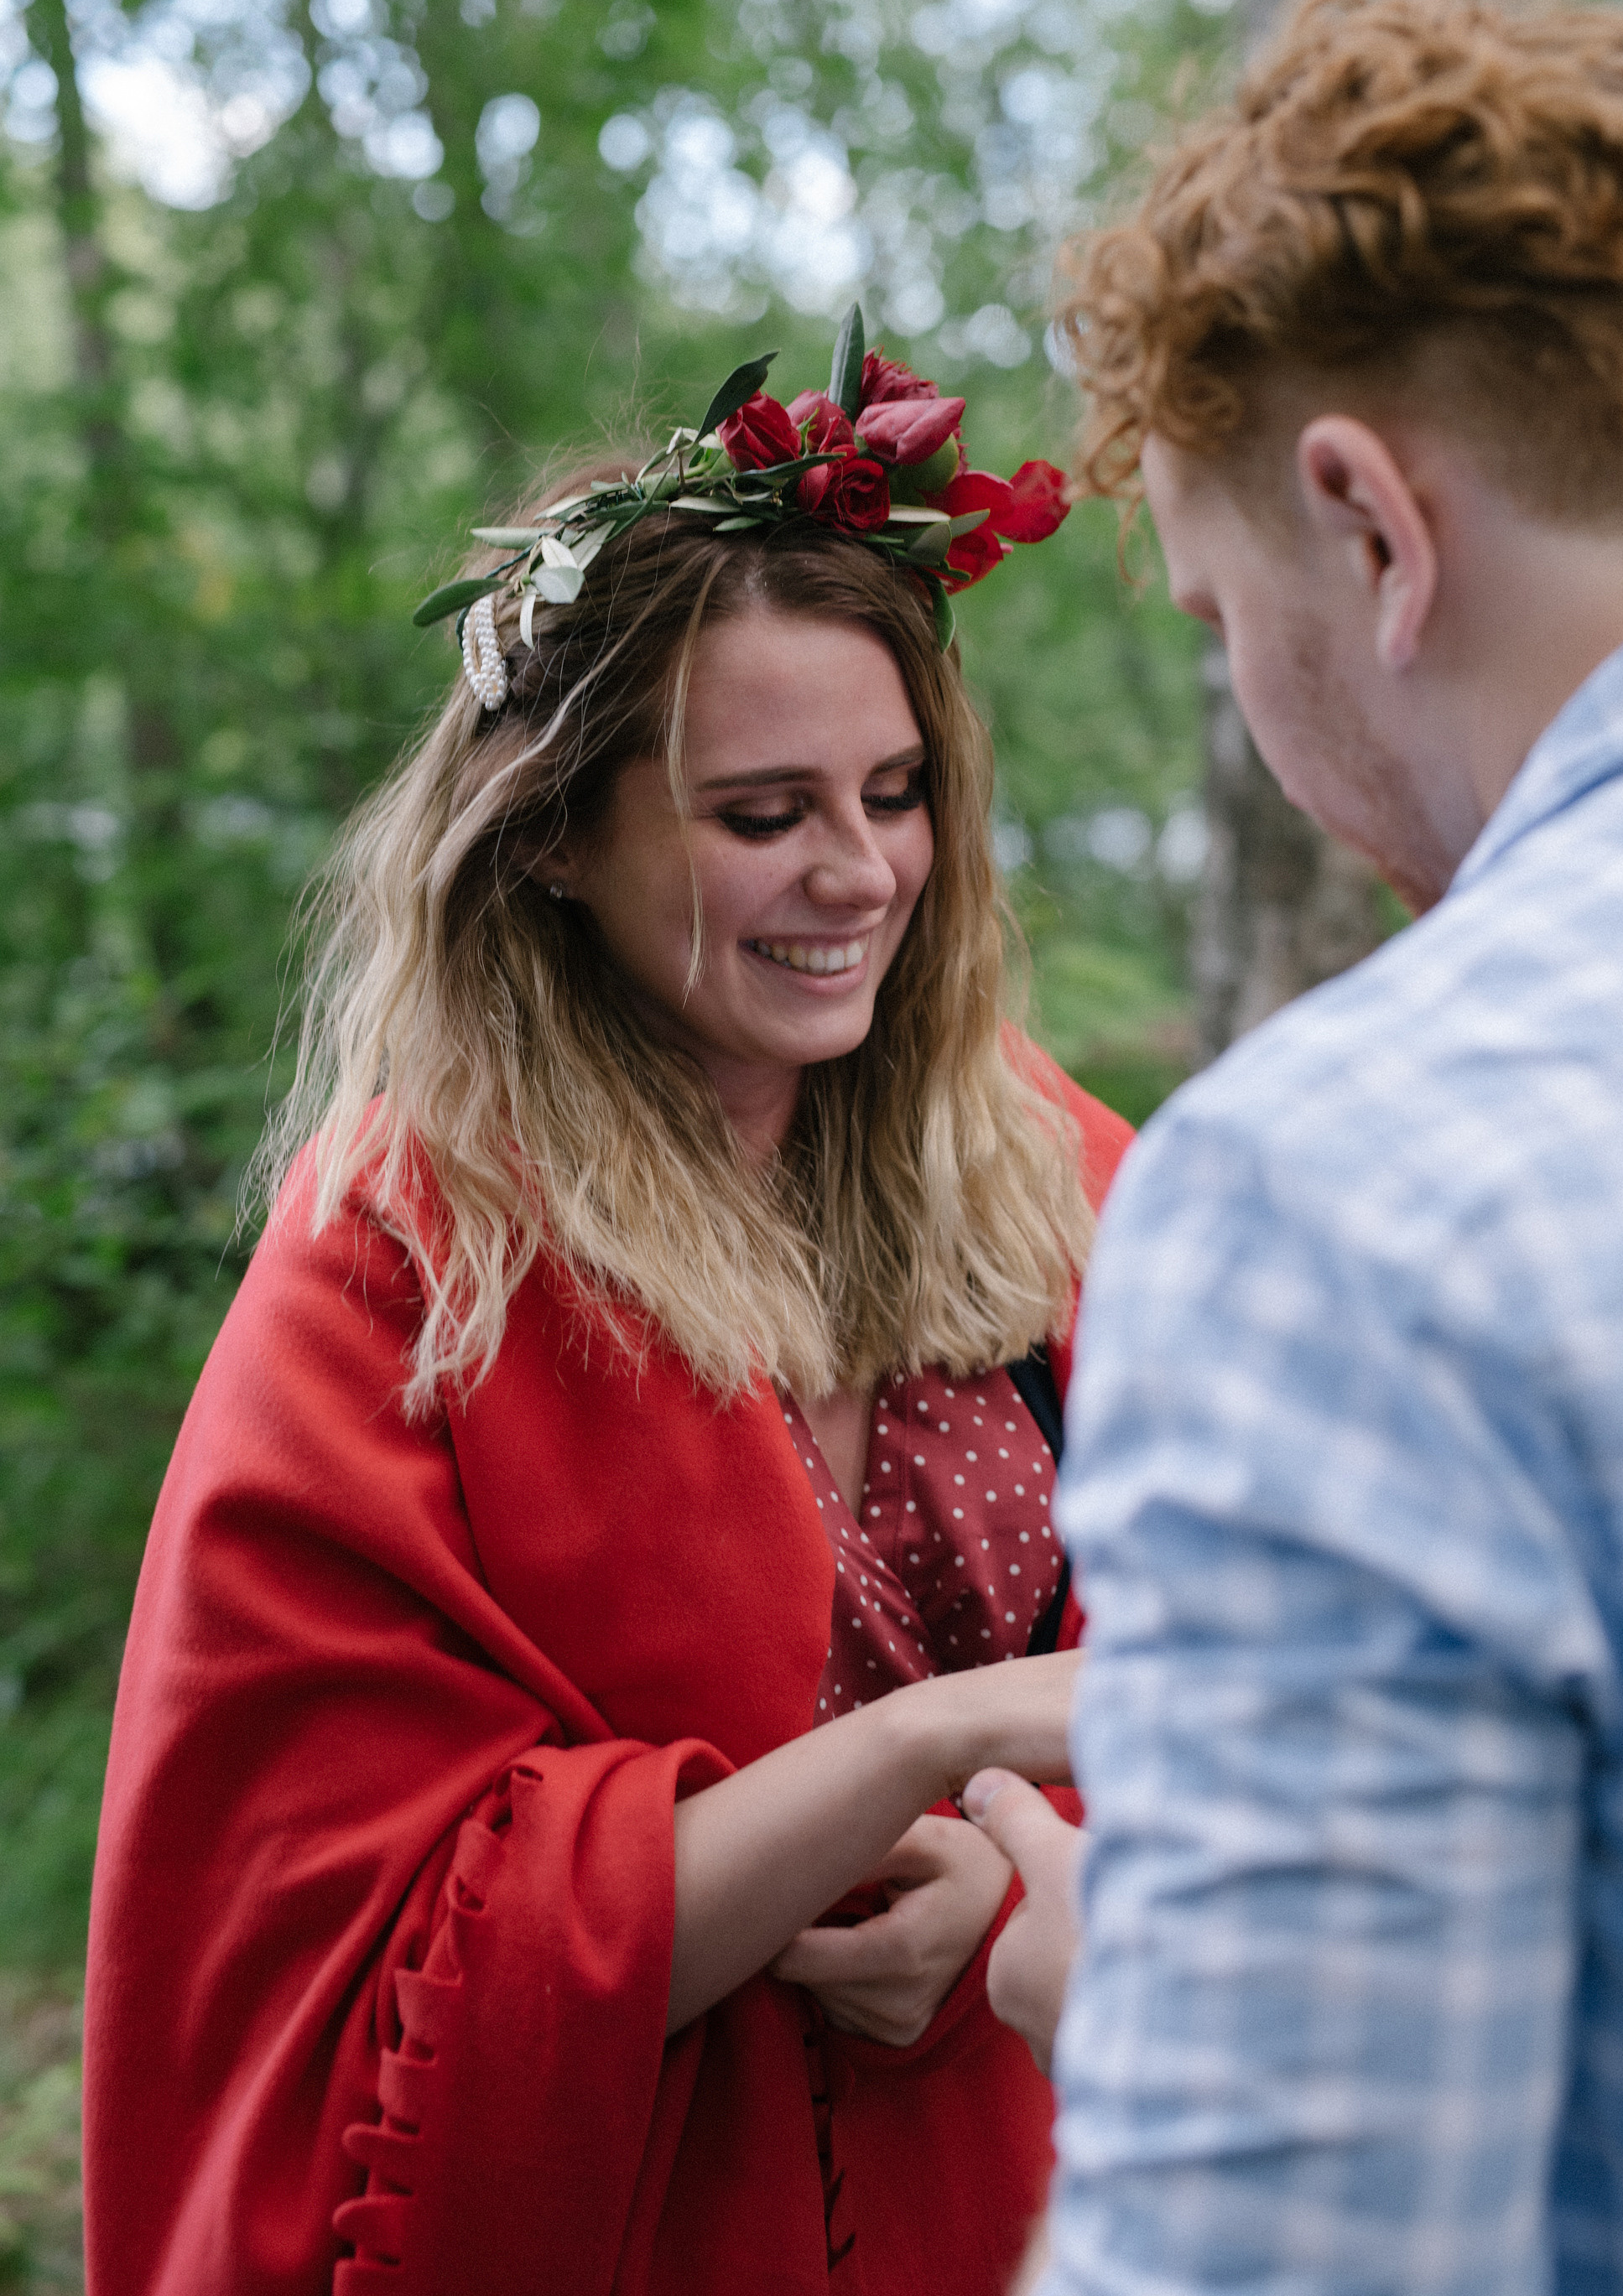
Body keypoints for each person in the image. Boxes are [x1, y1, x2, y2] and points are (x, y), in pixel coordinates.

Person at [80, 322, 1131, 2296]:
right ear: (555, 833)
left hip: (1023, 2198)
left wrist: (1002, 1853)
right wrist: (933, 1747)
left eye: (896, 793)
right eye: (760, 814)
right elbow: (357, 1940)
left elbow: (1196, 1649)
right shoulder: (408, 1258)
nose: (859, 874)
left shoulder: (1044, 1160)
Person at [971, 0, 1623, 2290]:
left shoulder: (1343, 1203)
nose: (1255, 711)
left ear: (1369, 533)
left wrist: (1145, 2007)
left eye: (1216, 618)